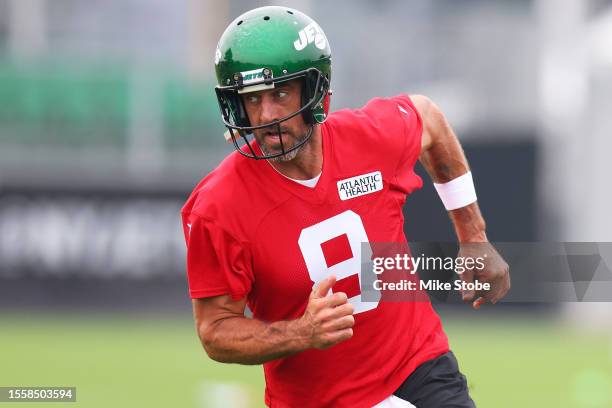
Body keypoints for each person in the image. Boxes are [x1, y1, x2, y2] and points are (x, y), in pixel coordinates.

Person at [182, 6, 510, 408]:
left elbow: (429, 119)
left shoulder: (369, 137)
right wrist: (300, 333)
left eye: (280, 93)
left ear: (314, 89)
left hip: (417, 370)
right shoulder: (218, 205)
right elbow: (215, 331)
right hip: (317, 400)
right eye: (251, 99)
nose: (266, 114)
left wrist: (473, 236)